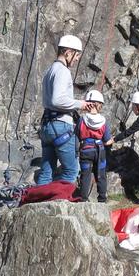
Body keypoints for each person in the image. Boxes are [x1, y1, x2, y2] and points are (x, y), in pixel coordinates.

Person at [36, 35, 93, 186]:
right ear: (68, 52)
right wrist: (80, 104)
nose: (76, 59)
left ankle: (40, 205)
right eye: (76, 55)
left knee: (46, 172)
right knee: (71, 171)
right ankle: (62, 206)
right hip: (61, 125)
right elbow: (57, 100)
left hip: (47, 126)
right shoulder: (63, 71)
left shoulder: (49, 71)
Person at [77, 89, 112, 203]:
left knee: (85, 175)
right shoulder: (103, 120)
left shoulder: (82, 119)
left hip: (86, 149)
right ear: (99, 105)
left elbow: (77, 133)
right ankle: (102, 199)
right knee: (101, 174)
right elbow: (106, 140)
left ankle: (83, 199)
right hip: (100, 150)